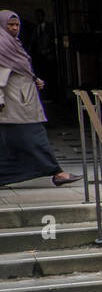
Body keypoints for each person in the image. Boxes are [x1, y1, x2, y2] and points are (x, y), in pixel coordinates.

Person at [0, 11, 79, 187]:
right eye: (10, 25)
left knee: (10, 144)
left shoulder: (13, 44)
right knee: (35, 137)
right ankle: (57, 173)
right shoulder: (2, 45)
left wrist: (35, 79)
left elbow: (20, 69)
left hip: (21, 101)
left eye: (16, 25)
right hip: (14, 105)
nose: (14, 28)